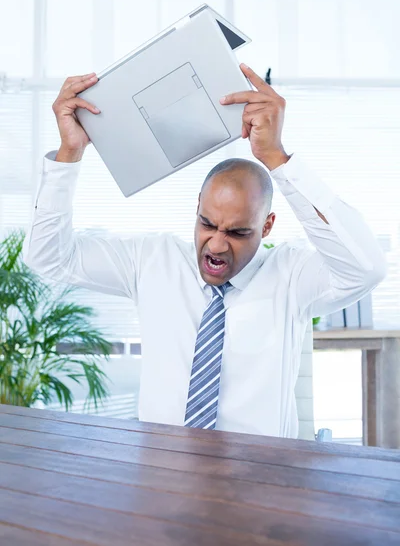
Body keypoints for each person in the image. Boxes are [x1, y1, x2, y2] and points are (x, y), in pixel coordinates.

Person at [23, 64, 386, 438]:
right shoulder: (152, 261)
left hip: (259, 481)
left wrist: (277, 158)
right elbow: (48, 256)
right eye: (207, 223)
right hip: (163, 475)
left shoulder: (291, 275)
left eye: (238, 232)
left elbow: (365, 268)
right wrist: (70, 152)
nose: (216, 244)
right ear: (197, 206)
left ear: (267, 226)